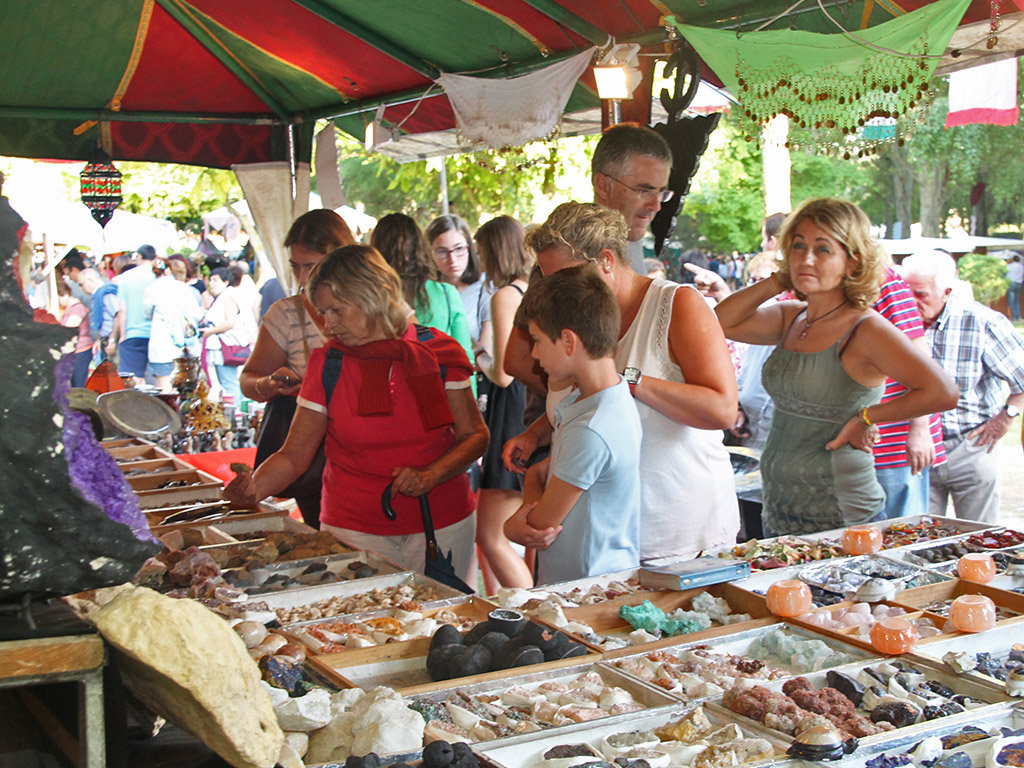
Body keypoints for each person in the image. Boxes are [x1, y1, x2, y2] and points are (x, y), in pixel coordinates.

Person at [224, 245, 488, 582]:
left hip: (441, 523)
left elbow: (475, 436)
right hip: (352, 526)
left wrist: (432, 474)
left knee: (444, 623)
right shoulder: (327, 365)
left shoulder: (439, 353)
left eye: (336, 310)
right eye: (321, 312)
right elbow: (293, 456)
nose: (328, 324)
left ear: (373, 296)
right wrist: (254, 488)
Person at [503, 202, 740, 562]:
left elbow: (722, 409)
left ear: (606, 261)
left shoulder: (677, 305)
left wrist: (627, 381)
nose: (556, 291)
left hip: (679, 534)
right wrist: (538, 432)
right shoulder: (569, 324)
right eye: (549, 280)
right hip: (603, 543)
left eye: (564, 278)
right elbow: (586, 406)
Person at [714, 199, 958, 536]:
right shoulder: (791, 318)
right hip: (778, 504)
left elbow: (943, 393)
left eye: (823, 249)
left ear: (852, 261)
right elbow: (719, 322)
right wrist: (778, 280)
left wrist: (866, 418)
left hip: (840, 510)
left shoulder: (866, 329)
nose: (806, 258)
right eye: (798, 246)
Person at [512, 265, 641, 584]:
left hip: (587, 586)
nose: (534, 352)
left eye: (538, 340)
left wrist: (511, 526)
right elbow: (542, 471)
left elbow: (539, 525)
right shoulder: (604, 398)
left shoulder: (591, 428)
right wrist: (533, 479)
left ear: (568, 342)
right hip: (591, 576)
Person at [240, 209, 355, 528]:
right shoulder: (285, 314)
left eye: (312, 266)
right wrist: (271, 384)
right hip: (312, 458)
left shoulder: (379, 309)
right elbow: (248, 380)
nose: (303, 277)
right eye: (296, 266)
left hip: (364, 454)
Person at [901, 249, 1024, 523]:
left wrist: (1006, 418)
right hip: (914, 451)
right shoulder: (895, 324)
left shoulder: (982, 322)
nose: (910, 302)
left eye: (920, 294)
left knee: (979, 538)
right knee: (918, 540)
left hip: (971, 447)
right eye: (905, 292)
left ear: (946, 291)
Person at [472, 216, 533, 590]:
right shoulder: (532, 289)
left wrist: (479, 354)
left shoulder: (505, 295)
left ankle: (528, 608)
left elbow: (503, 373)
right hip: (528, 412)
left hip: (509, 413)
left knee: (491, 536)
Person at [370, 213, 473, 364]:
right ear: (420, 248)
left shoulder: (369, 297)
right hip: (437, 384)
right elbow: (465, 358)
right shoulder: (446, 294)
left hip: (388, 384)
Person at [591, 123, 673, 274]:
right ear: (603, 186)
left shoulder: (629, 240)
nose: (656, 206)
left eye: (661, 192)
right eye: (644, 191)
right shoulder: (572, 257)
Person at [426, 215, 492, 396]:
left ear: (470, 248)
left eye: (459, 249)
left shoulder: (486, 288)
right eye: (442, 251)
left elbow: (486, 356)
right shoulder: (426, 292)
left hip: (475, 391)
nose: (452, 259)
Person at [143, 256, 204, 392]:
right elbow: (198, 315)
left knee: (164, 383)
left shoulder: (151, 290)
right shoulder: (183, 288)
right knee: (188, 385)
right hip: (186, 346)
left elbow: (146, 315)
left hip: (162, 345)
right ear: (169, 270)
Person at [201, 267, 254, 406]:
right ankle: (241, 410)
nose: (211, 283)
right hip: (224, 345)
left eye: (215, 280)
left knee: (229, 383)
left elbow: (230, 322)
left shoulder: (228, 297)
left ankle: (236, 413)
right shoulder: (224, 296)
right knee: (231, 383)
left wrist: (210, 331)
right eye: (210, 280)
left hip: (226, 345)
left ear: (225, 281)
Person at [114, 245, 158, 381]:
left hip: (133, 332)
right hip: (158, 334)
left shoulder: (126, 277)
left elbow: (122, 310)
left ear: (139, 256)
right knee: (161, 378)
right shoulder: (159, 276)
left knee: (133, 379)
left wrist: (122, 335)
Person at [56, 278, 93, 388]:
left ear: (64, 295)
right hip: (74, 351)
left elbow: (69, 328)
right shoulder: (68, 309)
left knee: (78, 383)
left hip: (81, 350)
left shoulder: (77, 308)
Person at [1007, 254, 1023, 322]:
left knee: (1011, 301)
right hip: (1019, 283)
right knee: (1017, 300)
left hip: (1011, 283)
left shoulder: (1009, 266)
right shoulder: (1022, 266)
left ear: (1013, 259)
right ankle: (1018, 316)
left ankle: (1013, 316)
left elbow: (1006, 274)